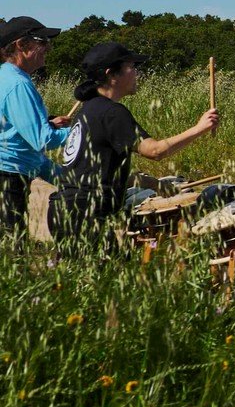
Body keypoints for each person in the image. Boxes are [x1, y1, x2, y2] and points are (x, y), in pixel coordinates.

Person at [50, 42, 220, 255]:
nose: (137, 72)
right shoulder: (112, 113)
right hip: (86, 215)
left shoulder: (89, 110)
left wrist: (155, 184)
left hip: (68, 211)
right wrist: (200, 128)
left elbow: (98, 171)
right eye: (131, 67)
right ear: (112, 74)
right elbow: (155, 151)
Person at [1, 16, 76, 239]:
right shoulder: (17, 84)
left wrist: (65, 178)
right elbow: (41, 140)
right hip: (8, 176)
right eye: (42, 41)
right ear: (21, 45)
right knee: (12, 245)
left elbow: (19, 135)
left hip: (13, 171)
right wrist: (81, 132)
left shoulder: (9, 77)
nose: (48, 48)